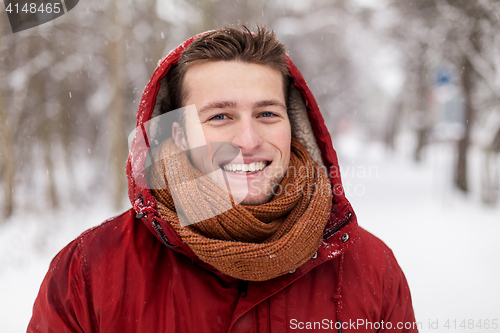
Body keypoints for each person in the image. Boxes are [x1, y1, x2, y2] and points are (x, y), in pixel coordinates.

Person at [28, 25, 419, 332]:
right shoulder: (89, 272)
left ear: (292, 124)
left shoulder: (369, 267)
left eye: (267, 114)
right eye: (220, 116)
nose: (248, 141)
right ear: (179, 134)